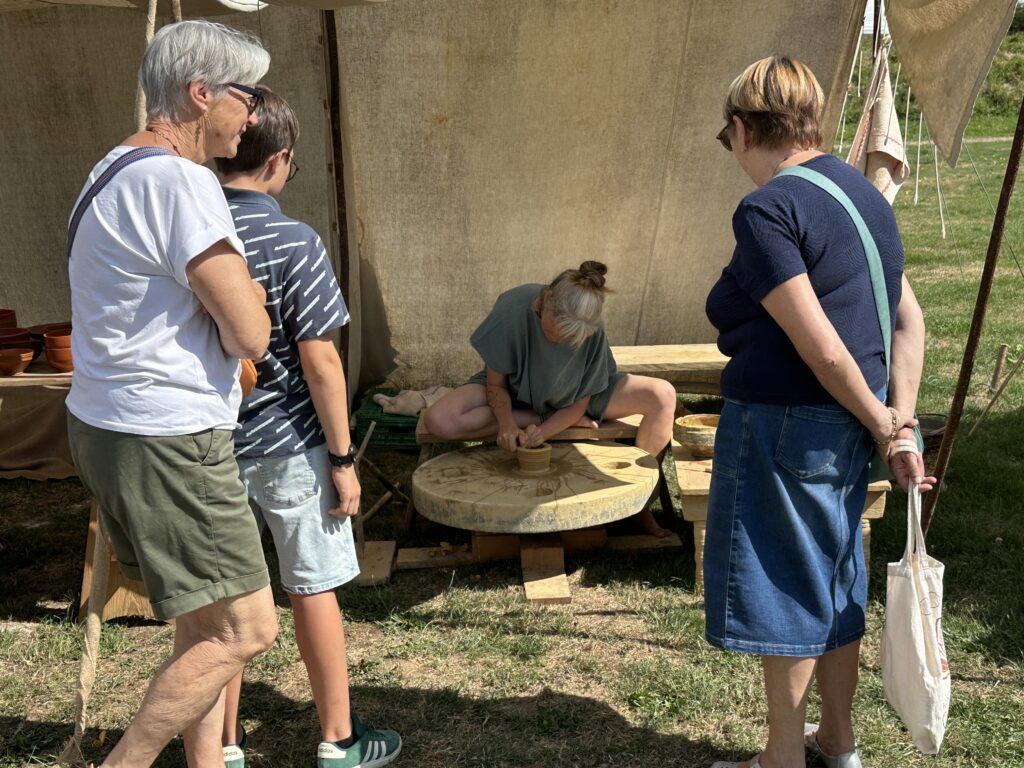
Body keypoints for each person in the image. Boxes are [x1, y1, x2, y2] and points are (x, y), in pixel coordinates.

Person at [703, 56, 937, 768]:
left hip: (785, 426)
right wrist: (898, 421)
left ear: (744, 128)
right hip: (841, 428)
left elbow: (823, 349)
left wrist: (882, 420)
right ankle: (837, 744)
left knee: (785, 591)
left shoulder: (769, 206)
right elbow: (909, 325)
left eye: (728, 137)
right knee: (836, 586)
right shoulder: (862, 195)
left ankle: (781, 758)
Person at [66, 21, 279, 768]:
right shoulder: (182, 181)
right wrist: (248, 298)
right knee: (245, 630)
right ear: (201, 95)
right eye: (245, 96)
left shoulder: (112, 167)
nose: (252, 115)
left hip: (109, 425)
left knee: (202, 621)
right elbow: (250, 335)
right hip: (167, 436)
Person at [214, 86, 402, 768]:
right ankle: (338, 739)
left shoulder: (187, 232)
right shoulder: (293, 240)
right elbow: (321, 361)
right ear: (281, 161)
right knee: (311, 587)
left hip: (207, 449)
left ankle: (224, 748)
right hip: (290, 445)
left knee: (224, 606)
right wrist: (343, 455)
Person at [423, 262, 678, 537]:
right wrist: (507, 425)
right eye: (553, 333)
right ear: (544, 302)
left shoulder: (590, 325)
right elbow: (495, 385)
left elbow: (581, 401)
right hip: (517, 392)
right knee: (439, 420)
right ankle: (541, 416)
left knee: (662, 395)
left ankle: (638, 504)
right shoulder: (512, 309)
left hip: (576, 398)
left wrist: (544, 433)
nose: (558, 343)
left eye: (569, 339)